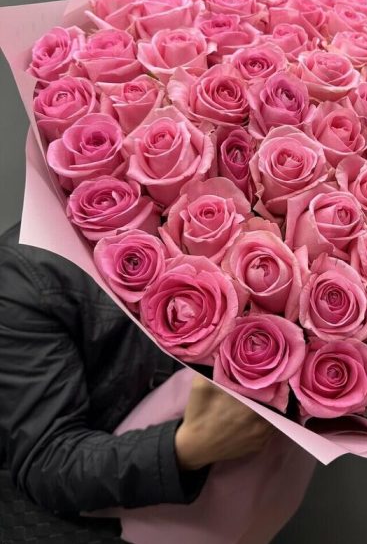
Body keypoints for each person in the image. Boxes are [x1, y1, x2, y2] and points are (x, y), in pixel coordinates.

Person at [0, 221, 274, 527]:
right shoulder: (27, 272)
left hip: (253, 495)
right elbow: (46, 461)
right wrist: (184, 448)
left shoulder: (244, 225)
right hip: (113, 521)